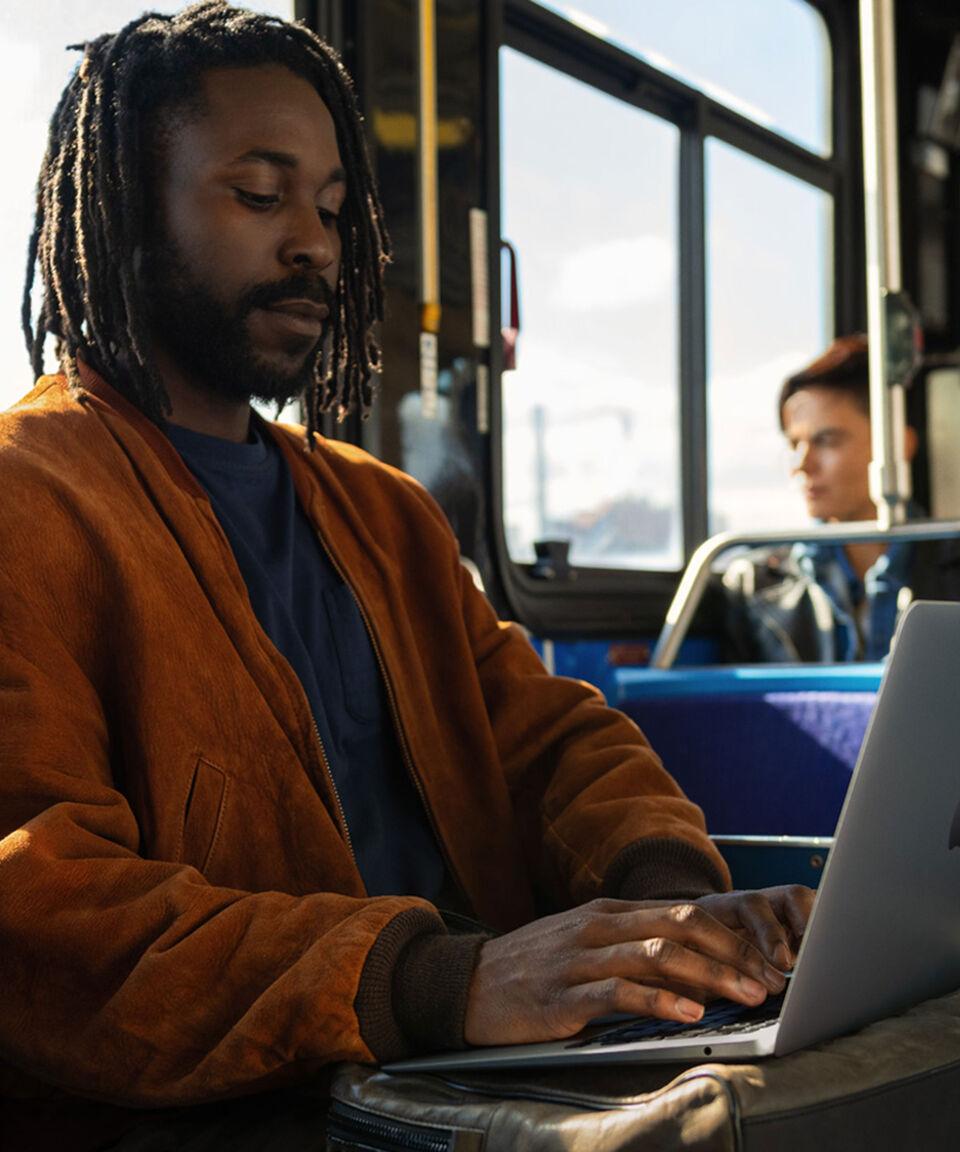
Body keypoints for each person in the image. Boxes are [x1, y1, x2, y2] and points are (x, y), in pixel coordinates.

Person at [0, 4, 811, 1147]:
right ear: (129, 207)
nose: (316, 245)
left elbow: (551, 743)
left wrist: (668, 901)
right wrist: (435, 983)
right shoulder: (27, 501)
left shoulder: (381, 511)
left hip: (467, 1069)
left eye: (331, 208)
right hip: (243, 1104)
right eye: (260, 194)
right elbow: (38, 911)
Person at [723, 333, 960, 662]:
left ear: (898, 445)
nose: (801, 465)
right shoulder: (754, 587)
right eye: (794, 445)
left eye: (826, 441)